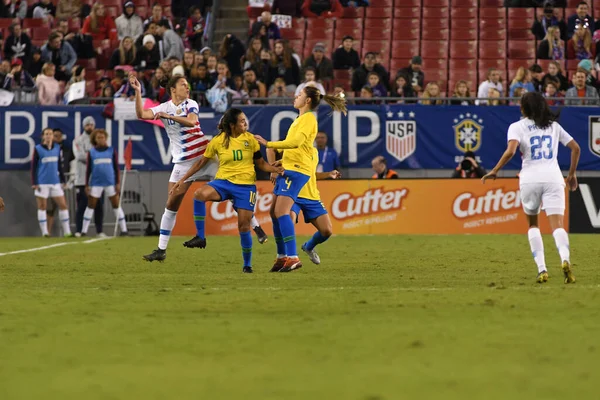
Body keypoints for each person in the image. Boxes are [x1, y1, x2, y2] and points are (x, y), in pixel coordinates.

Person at [482, 91, 580, 284]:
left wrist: (495, 170)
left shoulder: (516, 127)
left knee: (533, 224)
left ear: (523, 108)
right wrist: (571, 174)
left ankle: (542, 269)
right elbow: (576, 148)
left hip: (529, 179)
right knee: (558, 226)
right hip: (553, 178)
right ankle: (565, 260)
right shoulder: (554, 126)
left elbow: (510, 151)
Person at [170, 108, 283, 273]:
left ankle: (247, 265)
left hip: (245, 187)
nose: (246, 123)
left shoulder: (251, 140)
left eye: (245, 120)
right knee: (199, 194)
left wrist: (275, 169)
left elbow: (260, 164)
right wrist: (182, 179)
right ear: (232, 125)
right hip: (223, 182)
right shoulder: (217, 141)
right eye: (242, 121)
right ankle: (200, 237)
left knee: (243, 226)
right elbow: (200, 163)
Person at [254, 86, 347, 272]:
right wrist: (278, 164)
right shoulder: (301, 121)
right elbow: (295, 148)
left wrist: (268, 143)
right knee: (275, 212)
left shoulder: (308, 119)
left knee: (283, 213)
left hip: (298, 178)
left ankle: (293, 256)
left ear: (308, 101)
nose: (295, 97)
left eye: (299, 95)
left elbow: (294, 143)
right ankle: (282, 257)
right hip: (291, 172)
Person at [131, 72, 217, 261]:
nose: (187, 88)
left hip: (206, 157)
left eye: (187, 85)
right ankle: (161, 250)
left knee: (232, 190)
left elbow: (192, 121)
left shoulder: (191, 104)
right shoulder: (163, 107)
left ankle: (256, 226)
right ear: (173, 89)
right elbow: (141, 114)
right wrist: (138, 91)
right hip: (183, 162)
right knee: (171, 204)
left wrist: (167, 116)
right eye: (183, 85)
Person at [269, 147, 341, 271]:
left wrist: (328, 174)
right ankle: (286, 257)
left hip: (311, 196)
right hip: (292, 194)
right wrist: (273, 170)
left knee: (327, 231)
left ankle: (308, 246)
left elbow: (311, 174)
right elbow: (270, 148)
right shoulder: (290, 147)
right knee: (287, 218)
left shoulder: (313, 151)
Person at [80, 129, 128, 236]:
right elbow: (88, 170)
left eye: (103, 137)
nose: (101, 139)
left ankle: (124, 230)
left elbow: (116, 168)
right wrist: (87, 184)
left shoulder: (111, 150)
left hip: (110, 182)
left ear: (106, 138)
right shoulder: (91, 152)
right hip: (96, 183)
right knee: (91, 205)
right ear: (94, 140)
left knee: (116, 205)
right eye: (98, 137)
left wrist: (117, 183)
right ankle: (83, 231)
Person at [31, 127, 73, 237]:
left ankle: (67, 232)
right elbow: (34, 167)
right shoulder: (38, 149)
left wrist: (63, 180)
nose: (49, 136)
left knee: (63, 205)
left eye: (51, 134)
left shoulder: (57, 148)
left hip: (55, 182)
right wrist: (34, 182)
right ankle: (45, 232)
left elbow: (59, 165)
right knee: (42, 207)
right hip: (42, 182)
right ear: (43, 136)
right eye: (47, 134)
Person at [73, 116, 105, 237]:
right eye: (87, 125)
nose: (90, 127)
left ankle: (99, 231)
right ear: (83, 126)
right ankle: (78, 230)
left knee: (98, 207)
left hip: (97, 179)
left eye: (91, 124)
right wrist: (95, 157)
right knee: (82, 206)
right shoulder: (78, 140)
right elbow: (79, 156)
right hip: (82, 179)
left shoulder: (98, 140)